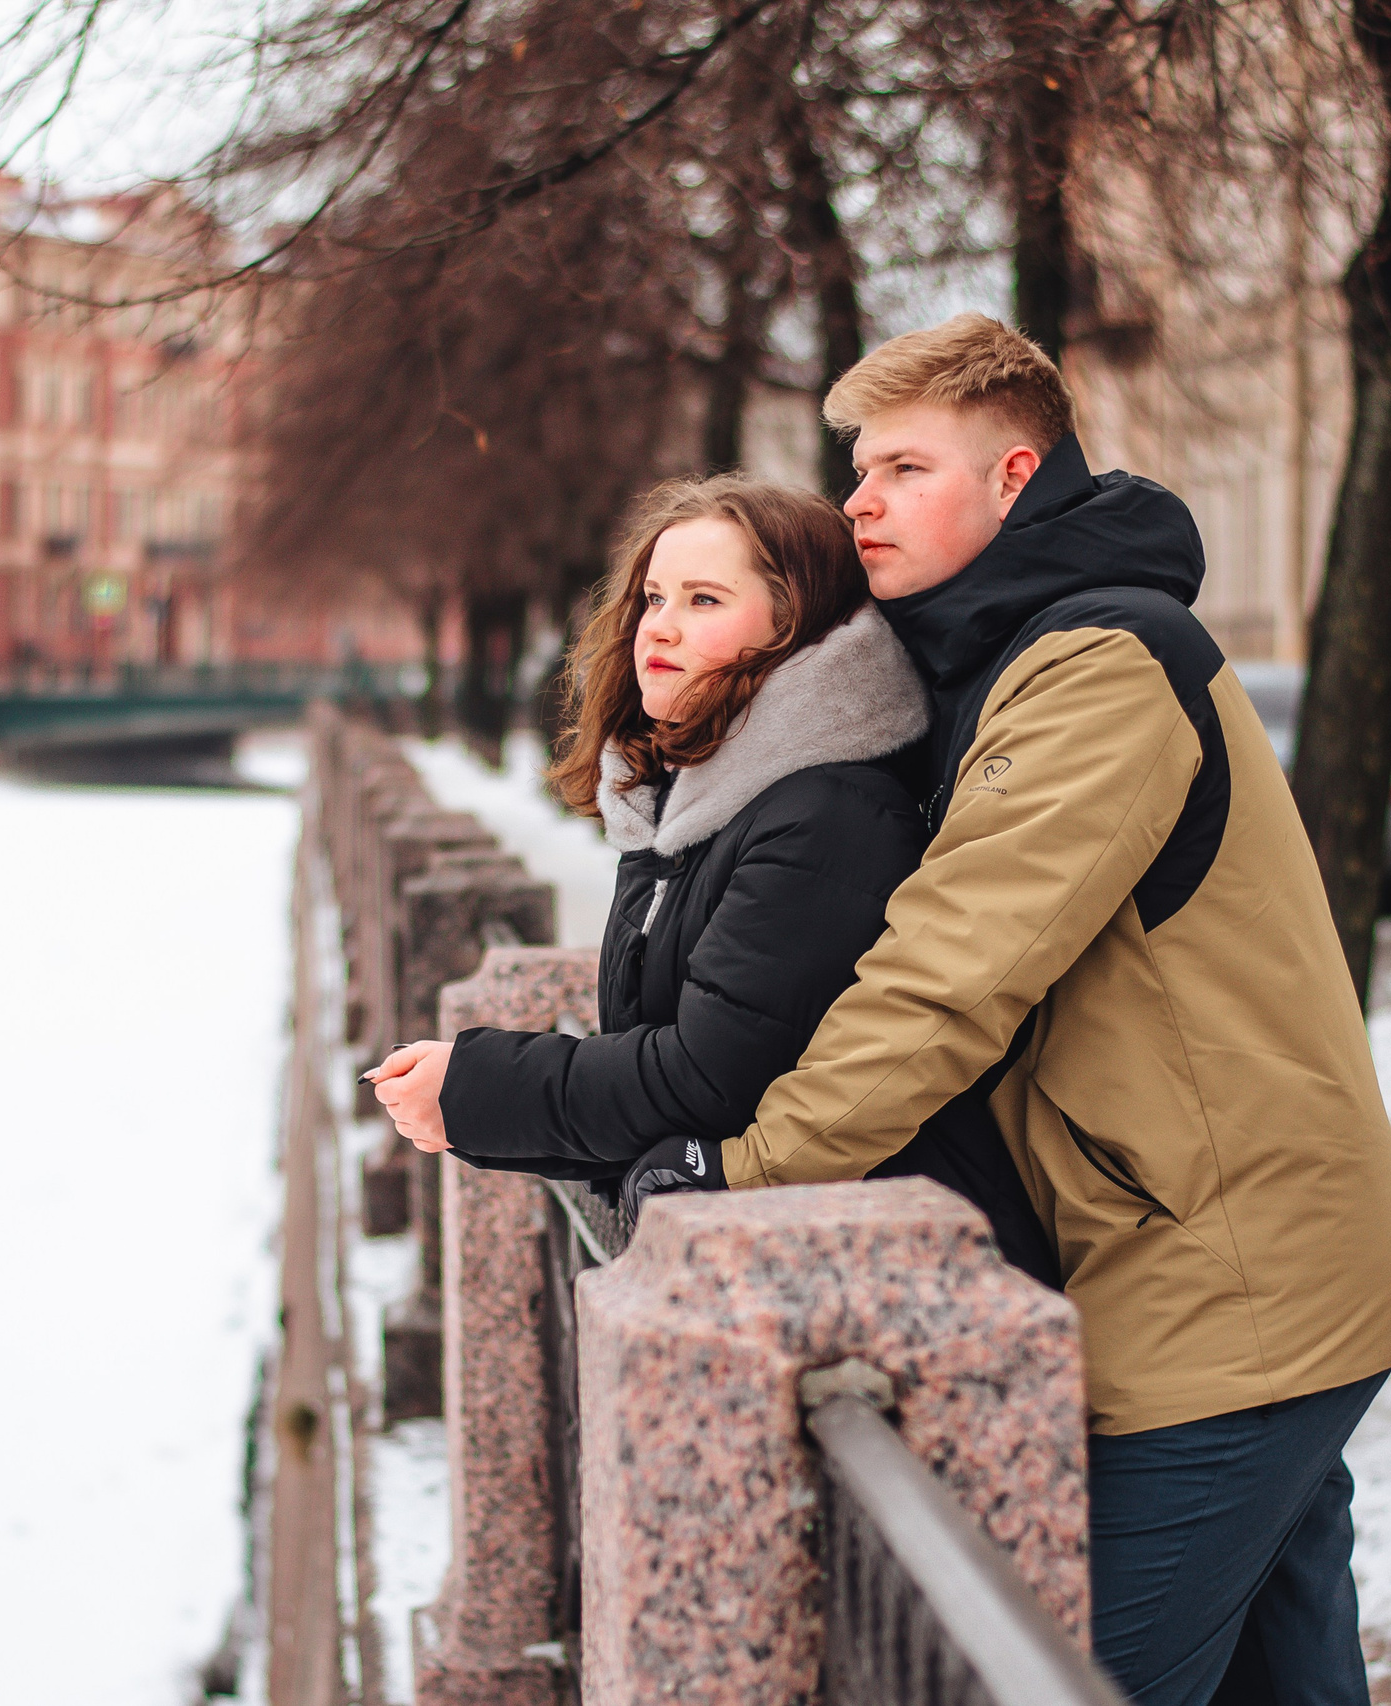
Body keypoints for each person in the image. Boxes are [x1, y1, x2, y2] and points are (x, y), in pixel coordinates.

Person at [622, 316, 1391, 1706]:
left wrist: (735, 1170)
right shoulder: (995, 661)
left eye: (903, 468)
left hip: (1220, 1290)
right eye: (855, 469)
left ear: (1015, 476)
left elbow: (948, 974)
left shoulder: (1096, 664)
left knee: (1060, 1681)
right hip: (1228, 1265)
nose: (859, 500)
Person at [365, 473, 1058, 1283]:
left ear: (795, 632)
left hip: (908, 1300)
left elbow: (707, 1080)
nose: (658, 628)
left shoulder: (828, 813)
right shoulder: (694, 809)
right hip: (797, 1274)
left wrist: (480, 1089)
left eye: (703, 601)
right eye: (654, 598)